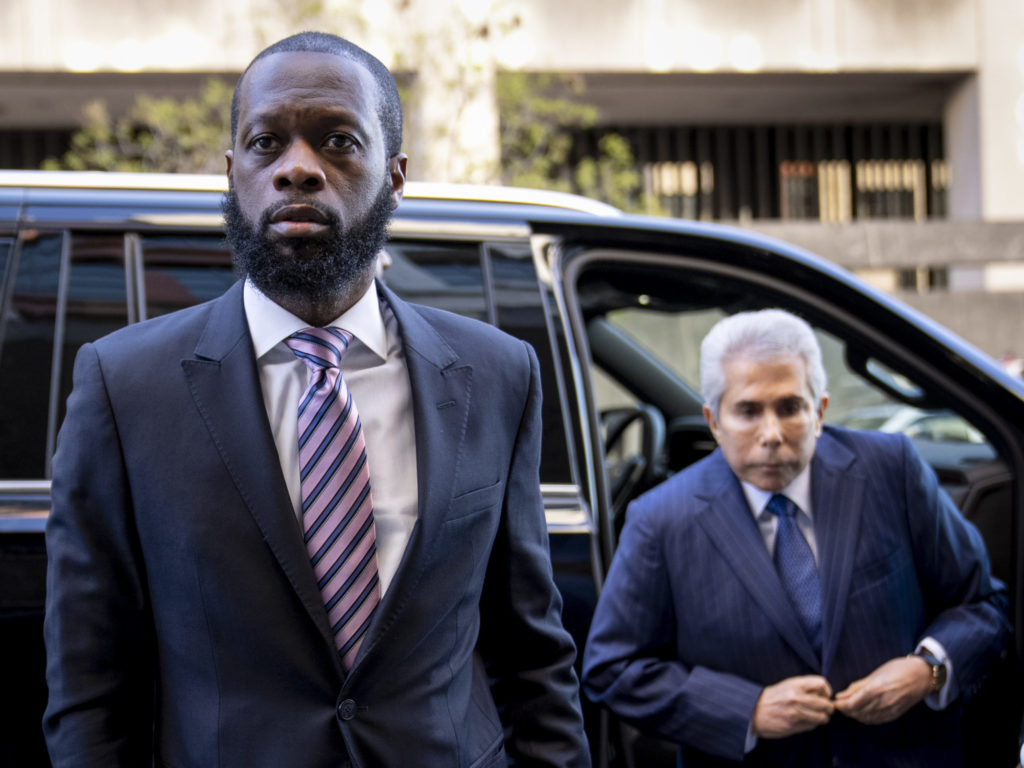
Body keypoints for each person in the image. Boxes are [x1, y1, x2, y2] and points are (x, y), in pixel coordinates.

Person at [43, 32, 589, 768]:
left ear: (396, 177)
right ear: (231, 173)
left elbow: (533, 656)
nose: (297, 168)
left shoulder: (498, 373)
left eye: (338, 141)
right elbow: (90, 683)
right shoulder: (125, 385)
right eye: (266, 143)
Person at [582, 308, 1008, 767]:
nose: (772, 434)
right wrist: (748, 711)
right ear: (713, 421)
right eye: (748, 411)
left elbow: (982, 605)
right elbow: (613, 669)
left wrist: (928, 670)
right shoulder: (661, 519)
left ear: (819, 412)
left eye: (790, 408)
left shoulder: (891, 469)